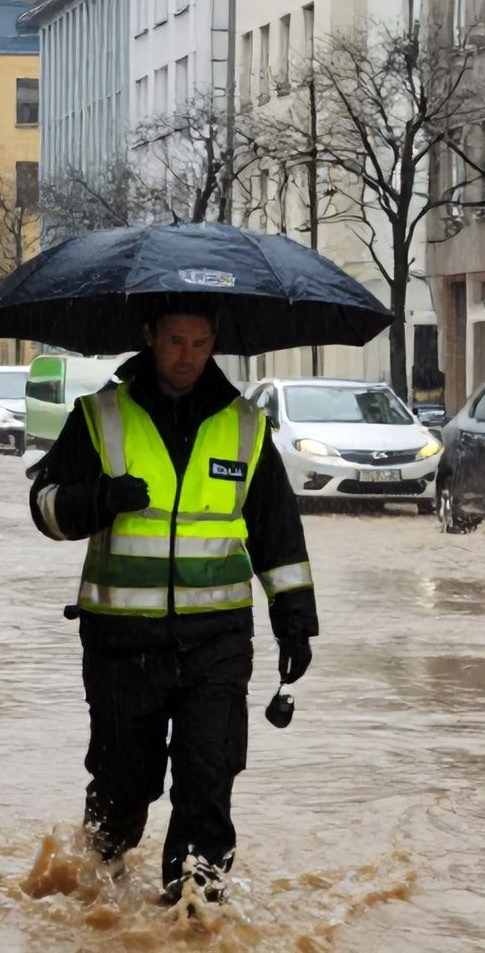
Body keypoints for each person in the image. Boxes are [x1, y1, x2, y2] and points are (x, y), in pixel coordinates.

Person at [27, 296, 319, 906]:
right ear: (150, 336)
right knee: (123, 782)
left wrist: (295, 622)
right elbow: (45, 509)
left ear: (214, 343)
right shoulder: (99, 415)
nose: (187, 356)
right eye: (175, 341)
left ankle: (195, 911)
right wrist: (100, 498)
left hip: (216, 639)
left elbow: (278, 534)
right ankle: (97, 879)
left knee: (208, 779)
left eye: (201, 342)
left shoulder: (245, 424)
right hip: (119, 641)